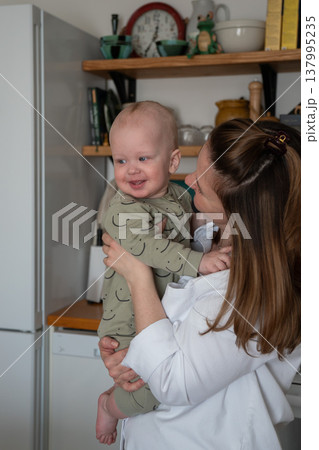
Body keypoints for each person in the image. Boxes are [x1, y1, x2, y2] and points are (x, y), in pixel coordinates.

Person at [99, 118, 301, 449]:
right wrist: (125, 355)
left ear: (239, 212)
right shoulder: (207, 235)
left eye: (202, 187)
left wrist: (137, 276)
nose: (189, 180)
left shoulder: (257, 295)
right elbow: (159, 331)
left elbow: (171, 382)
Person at [96, 101, 231, 445]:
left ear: (171, 161)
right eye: (121, 160)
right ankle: (109, 406)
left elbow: (189, 237)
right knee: (147, 390)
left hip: (157, 315)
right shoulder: (123, 206)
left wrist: (208, 252)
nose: (131, 170)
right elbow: (147, 249)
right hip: (127, 319)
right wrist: (199, 262)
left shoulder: (179, 197)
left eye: (143, 159)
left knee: (145, 380)